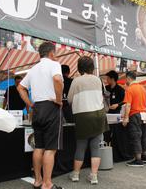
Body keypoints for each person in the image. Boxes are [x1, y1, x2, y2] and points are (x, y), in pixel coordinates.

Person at [17, 42, 64, 189]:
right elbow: (57, 79)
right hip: (51, 107)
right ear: (51, 53)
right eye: (55, 53)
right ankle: (47, 184)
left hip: (37, 109)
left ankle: (37, 181)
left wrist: (30, 104)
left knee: (39, 146)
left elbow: (20, 87)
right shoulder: (54, 64)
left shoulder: (33, 69)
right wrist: (58, 99)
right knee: (50, 148)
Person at [67, 56, 108, 185]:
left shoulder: (76, 81)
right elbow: (102, 96)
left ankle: (75, 174)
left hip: (83, 116)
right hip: (99, 115)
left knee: (81, 146)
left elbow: (69, 99)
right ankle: (94, 176)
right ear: (92, 67)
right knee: (95, 147)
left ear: (79, 68)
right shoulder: (98, 80)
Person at [121, 71, 146, 167]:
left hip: (135, 114)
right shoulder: (142, 88)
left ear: (128, 78)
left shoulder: (130, 89)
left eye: (126, 79)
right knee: (143, 136)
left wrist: (126, 118)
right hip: (144, 114)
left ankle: (138, 159)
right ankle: (144, 156)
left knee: (135, 136)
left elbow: (128, 105)